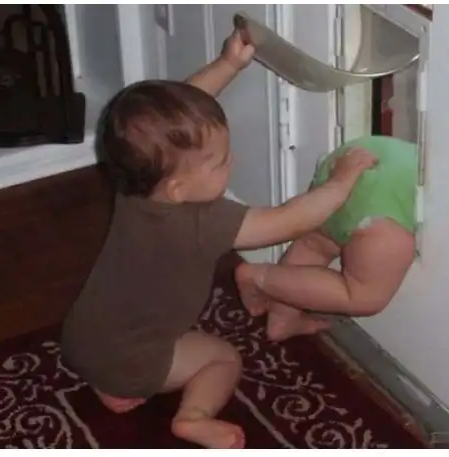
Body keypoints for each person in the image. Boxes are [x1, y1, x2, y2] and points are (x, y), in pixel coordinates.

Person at [60, 28, 377, 449]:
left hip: (81, 338)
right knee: (224, 358)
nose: (234, 161)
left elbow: (178, 118)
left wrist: (228, 65)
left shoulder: (136, 183)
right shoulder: (201, 221)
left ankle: (110, 382)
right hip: (133, 359)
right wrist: (342, 181)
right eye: (222, 162)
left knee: (127, 342)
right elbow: (289, 222)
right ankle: (193, 417)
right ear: (178, 189)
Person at [235, 135, 418, 342]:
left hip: (358, 157)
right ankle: (261, 278)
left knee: (313, 246)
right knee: (362, 296)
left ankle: (282, 320)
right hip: (384, 206)